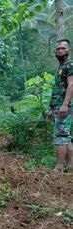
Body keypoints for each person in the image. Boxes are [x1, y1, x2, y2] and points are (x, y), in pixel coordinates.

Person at [48, 39, 73, 173]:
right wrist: (51, 109)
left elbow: (71, 85)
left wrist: (65, 105)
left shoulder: (70, 65)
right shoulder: (61, 67)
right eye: (58, 49)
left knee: (60, 136)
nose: (60, 50)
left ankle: (59, 168)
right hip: (57, 106)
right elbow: (58, 89)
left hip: (64, 106)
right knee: (65, 136)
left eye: (63, 48)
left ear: (68, 50)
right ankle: (70, 166)